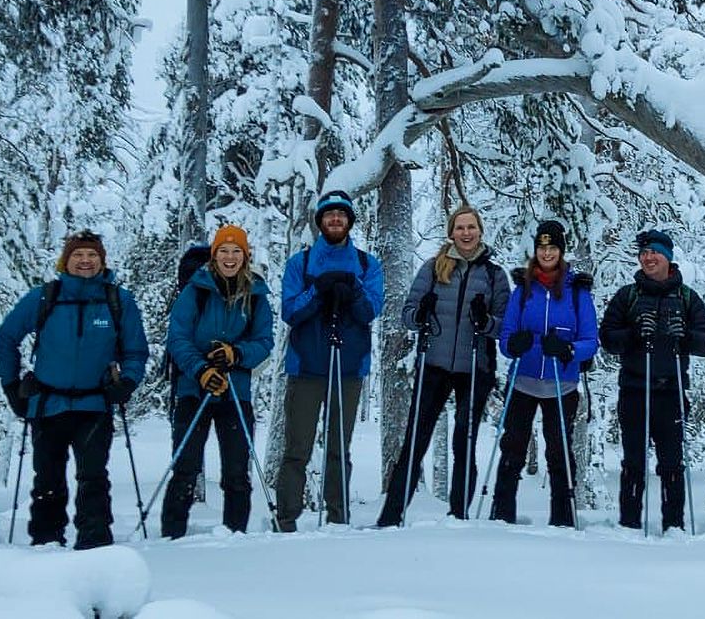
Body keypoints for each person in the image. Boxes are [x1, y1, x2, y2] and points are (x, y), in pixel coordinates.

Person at [0, 229, 147, 549]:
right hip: (48, 404)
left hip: (95, 404)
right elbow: (6, 338)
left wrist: (128, 382)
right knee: (47, 479)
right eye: (78, 255)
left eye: (92, 255)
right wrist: (12, 386)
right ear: (66, 261)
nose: (85, 261)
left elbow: (135, 350)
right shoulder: (45, 297)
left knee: (93, 477)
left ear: (102, 261)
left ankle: (95, 542)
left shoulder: (118, 300)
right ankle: (46, 541)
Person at [376, 205, 511, 526]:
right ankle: (390, 517)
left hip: (475, 366)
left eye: (471, 227)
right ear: (451, 233)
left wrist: (485, 320)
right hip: (434, 364)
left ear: (480, 231)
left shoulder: (494, 275)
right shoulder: (433, 268)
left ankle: (459, 516)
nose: (466, 233)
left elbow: (505, 326)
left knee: (464, 439)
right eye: (460, 228)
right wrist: (421, 313)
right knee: (416, 439)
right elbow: (407, 315)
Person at [273, 190, 383, 532]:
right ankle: (286, 518)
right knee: (297, 448)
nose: (335, 219)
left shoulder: (366, 264)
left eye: (341, 214)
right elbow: (291, 311)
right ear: (320, 221)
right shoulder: (300, 263)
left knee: (339, 448)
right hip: (306, 367)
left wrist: (353, 290)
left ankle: (338, 517)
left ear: (350, 220)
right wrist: (317, 291)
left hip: (348, 368)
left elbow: (370, 311)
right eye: (329, 214)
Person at [161, 224, 275, 537]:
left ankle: (234, 534)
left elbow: (265, 340)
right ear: (214, 255)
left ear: (245, 256)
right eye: (223, 251)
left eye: (236, 251)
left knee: (237, 471)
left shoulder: (255, 294)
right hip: (193, 390)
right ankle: (172, 536)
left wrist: (236, 353)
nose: (229, 257)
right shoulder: (195, 290)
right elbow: (178, 337)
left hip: (236, 393)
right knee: (185, 467)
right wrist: (201, 370)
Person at [598, 228, 705, 532]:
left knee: (672, 463)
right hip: (634, 390)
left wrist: (685, 337)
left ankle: (674, 526)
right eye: (644, 253)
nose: (648, 258)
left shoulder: (687, 297)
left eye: (654, 252)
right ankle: (629, 524)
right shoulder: (628, 295)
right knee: (633, 461)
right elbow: (608, 339)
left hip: (671, 391)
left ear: (668, 257)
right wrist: (634, 333)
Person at [490, 220, 598, 527]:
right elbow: (507, 338)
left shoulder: (578, 293)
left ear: (561, 251)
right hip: (523, 382)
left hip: (561, 384)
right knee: (512, 449)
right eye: (542, 247)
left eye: (552, 248)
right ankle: (501, 515)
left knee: (559, 453)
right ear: (535, 250)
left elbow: (591, 340)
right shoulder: (523, 290)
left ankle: (562, 519)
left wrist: (569, 350)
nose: (547, 253)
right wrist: (515, 344)